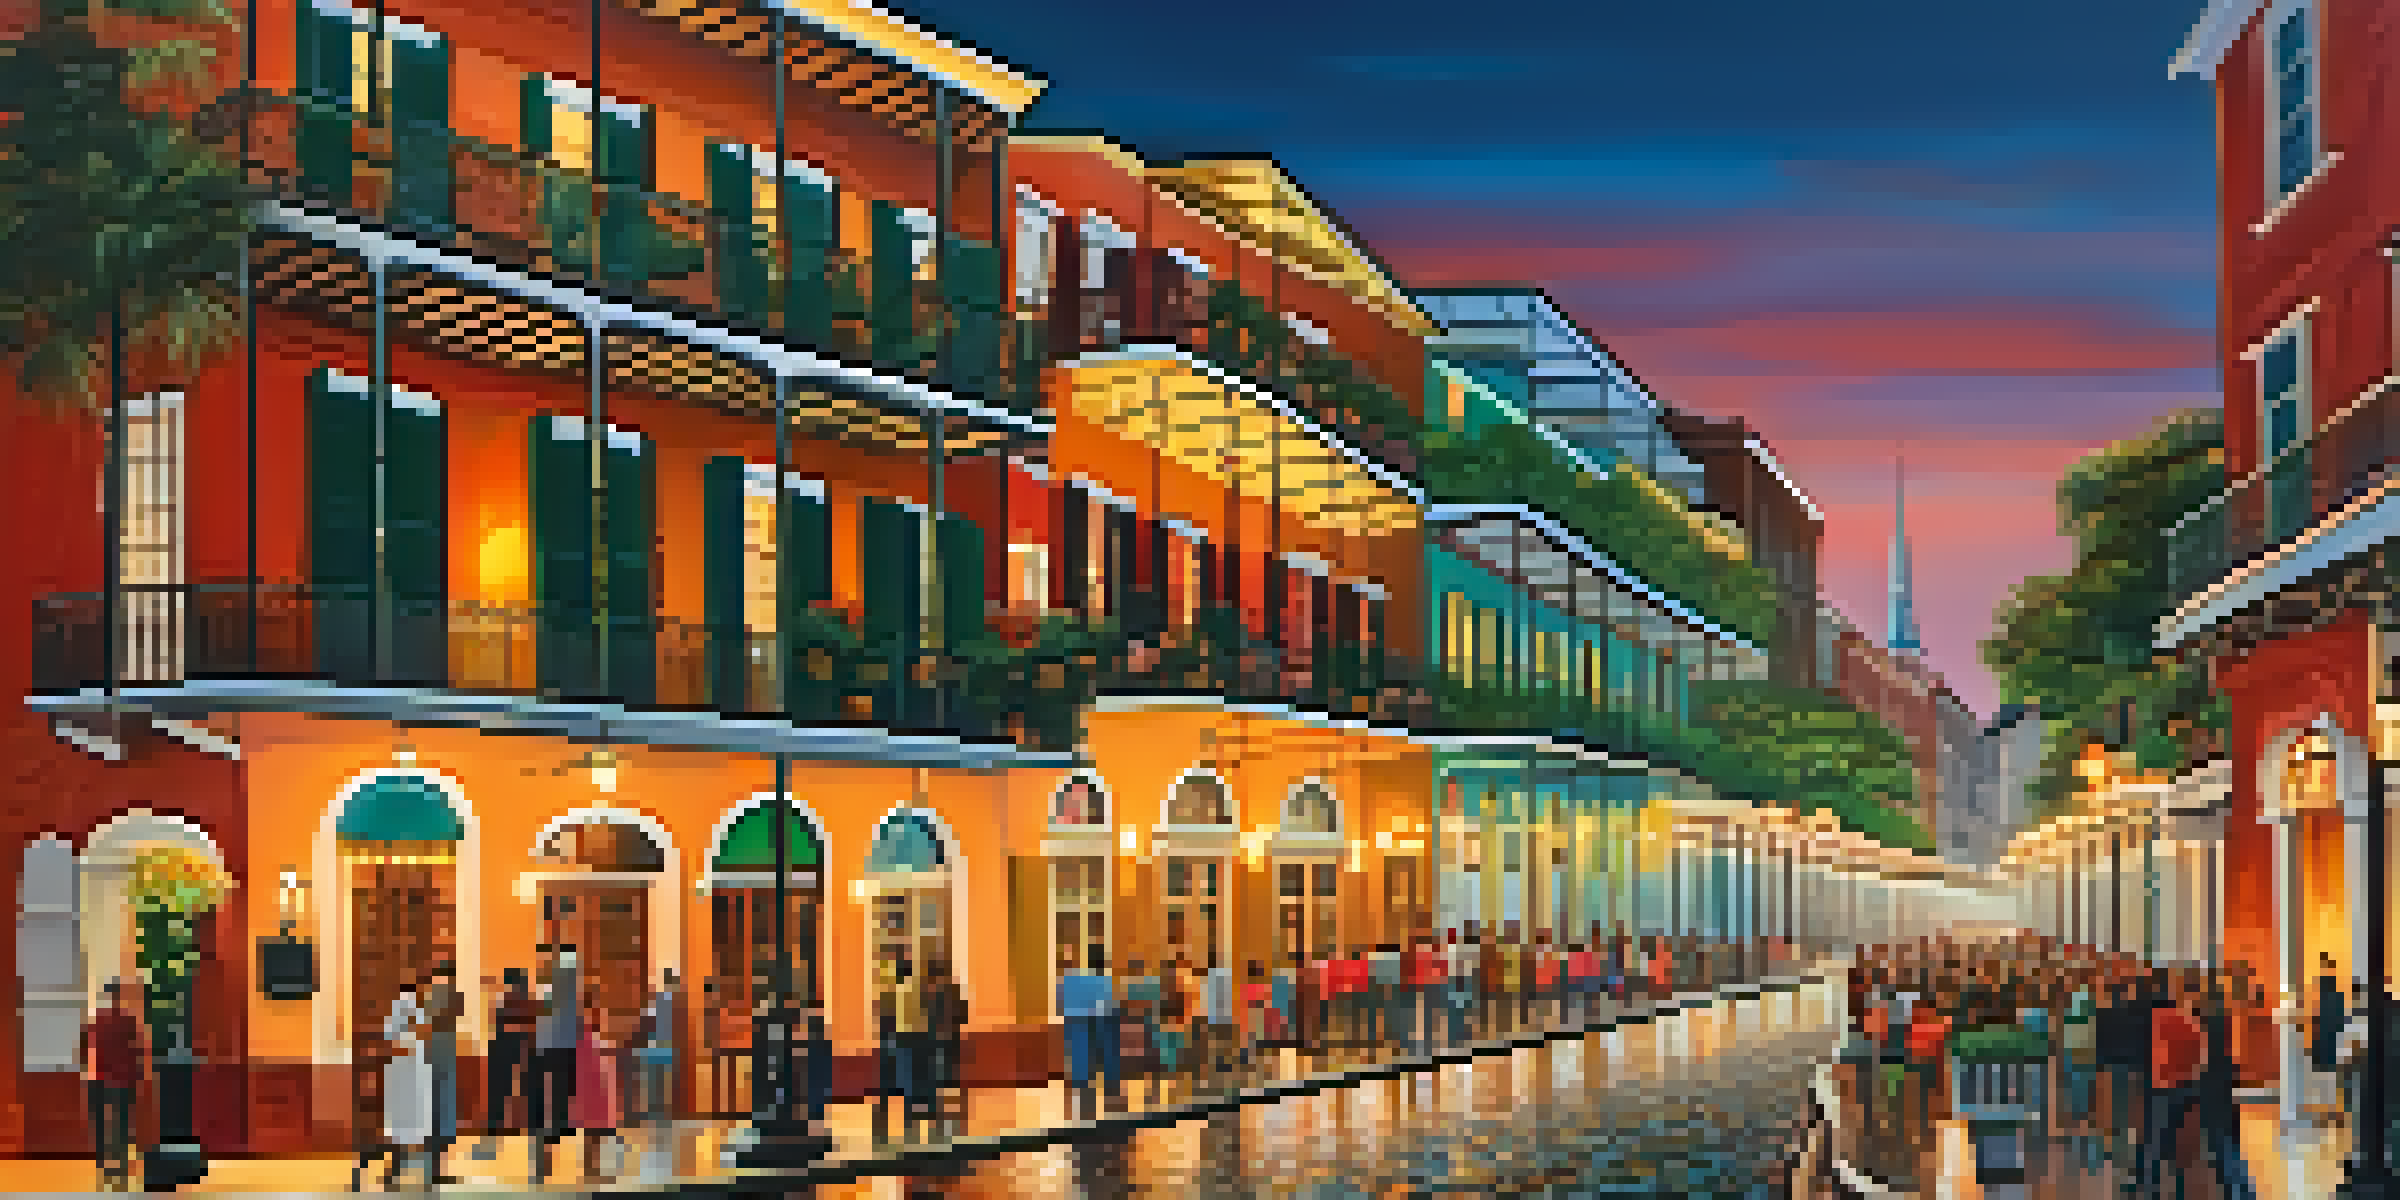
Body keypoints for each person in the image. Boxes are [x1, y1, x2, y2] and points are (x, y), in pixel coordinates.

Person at [2131, 975, 2207, 1197]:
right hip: (2183, 1088)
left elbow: (2151, 1050)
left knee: (2153, 1141)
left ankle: (2149, 1189)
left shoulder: (2161, 1018)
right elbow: (2199, 1063)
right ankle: (2178, 1189)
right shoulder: (2194, 1025)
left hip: (2161, 1086)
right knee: (2176, 1145)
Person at [81, 979, 142, 1190]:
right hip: (123, 1078)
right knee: (122, 1123)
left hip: (100, 1076)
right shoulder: (128, 1021)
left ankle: (103, 1163)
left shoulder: (98, 1019)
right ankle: (121, 1164)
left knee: (101, 1122)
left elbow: (88, 1047)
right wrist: (138, 1075)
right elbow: (136, 1051)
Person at [530, 947, 583, 1180]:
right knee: (558, 1094)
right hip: (562, 1044)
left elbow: (544, 1012)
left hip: (554, 1044)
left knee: (550, 1096)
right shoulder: (565, 988)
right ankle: (552, 1139)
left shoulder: (551, 987)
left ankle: (547, 1145)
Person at [380, 979, 435, 1188]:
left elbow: (397, 1042)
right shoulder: (410, 1013)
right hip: (406, 1075)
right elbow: (396, 1042)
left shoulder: (412, 1014)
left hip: (411, 1075)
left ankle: (406, 1168)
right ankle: (405, 1168)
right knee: (408, 1121)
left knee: (410, 1121)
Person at [478, 968, 536, 1156]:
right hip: (518, 1052)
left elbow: (498, 1028)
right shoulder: (525, 1005)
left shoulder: (508, 1004)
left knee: (499, 1097)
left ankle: (491, 1143)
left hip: (507, 1051)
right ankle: (530, 1146)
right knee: (516, 1097)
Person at [423, 961, 463, 1182]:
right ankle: (436, 1170)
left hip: (437, 1055)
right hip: (442, 1057)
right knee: (440, 1113)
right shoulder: (449, 996)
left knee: (437, 1114)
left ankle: (435, 1170)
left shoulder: (432, 997)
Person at [638, 967, 679, 1128]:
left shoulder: (658, 1000)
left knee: (656, 1085)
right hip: (662, 1051)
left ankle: (654, 1115)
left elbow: (647, 1023)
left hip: (657, 1050)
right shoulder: (672, 1002)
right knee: (660, 1085)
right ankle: (658, 1116)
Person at [2315, 952, 2348, 1120]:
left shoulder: (2331, 992)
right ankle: (2330, 1110)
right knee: (2327, 1076)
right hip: (2325, 1040)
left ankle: (2333, 1111)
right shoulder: (2323, 991)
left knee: (2330, 1076)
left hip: (2330, 1040)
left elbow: (2339, 1019)